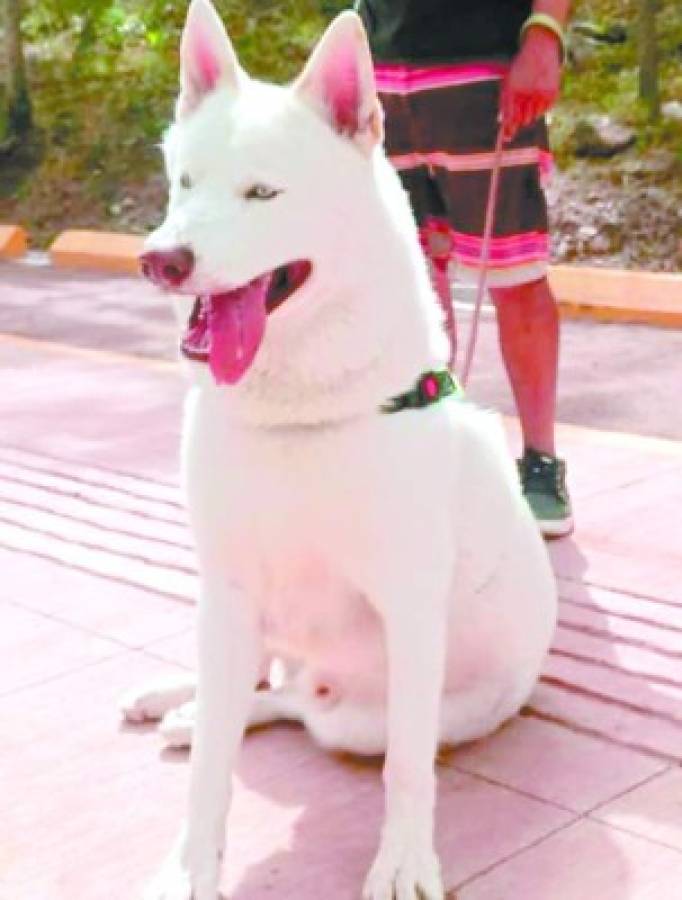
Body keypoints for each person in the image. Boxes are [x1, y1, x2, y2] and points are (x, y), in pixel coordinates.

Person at [355, 0, 573, 538]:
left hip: (484, 66)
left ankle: (540, 463)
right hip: (379, 68)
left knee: (516, 274)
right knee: (411, 280)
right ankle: (428, 451)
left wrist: (545, 34)